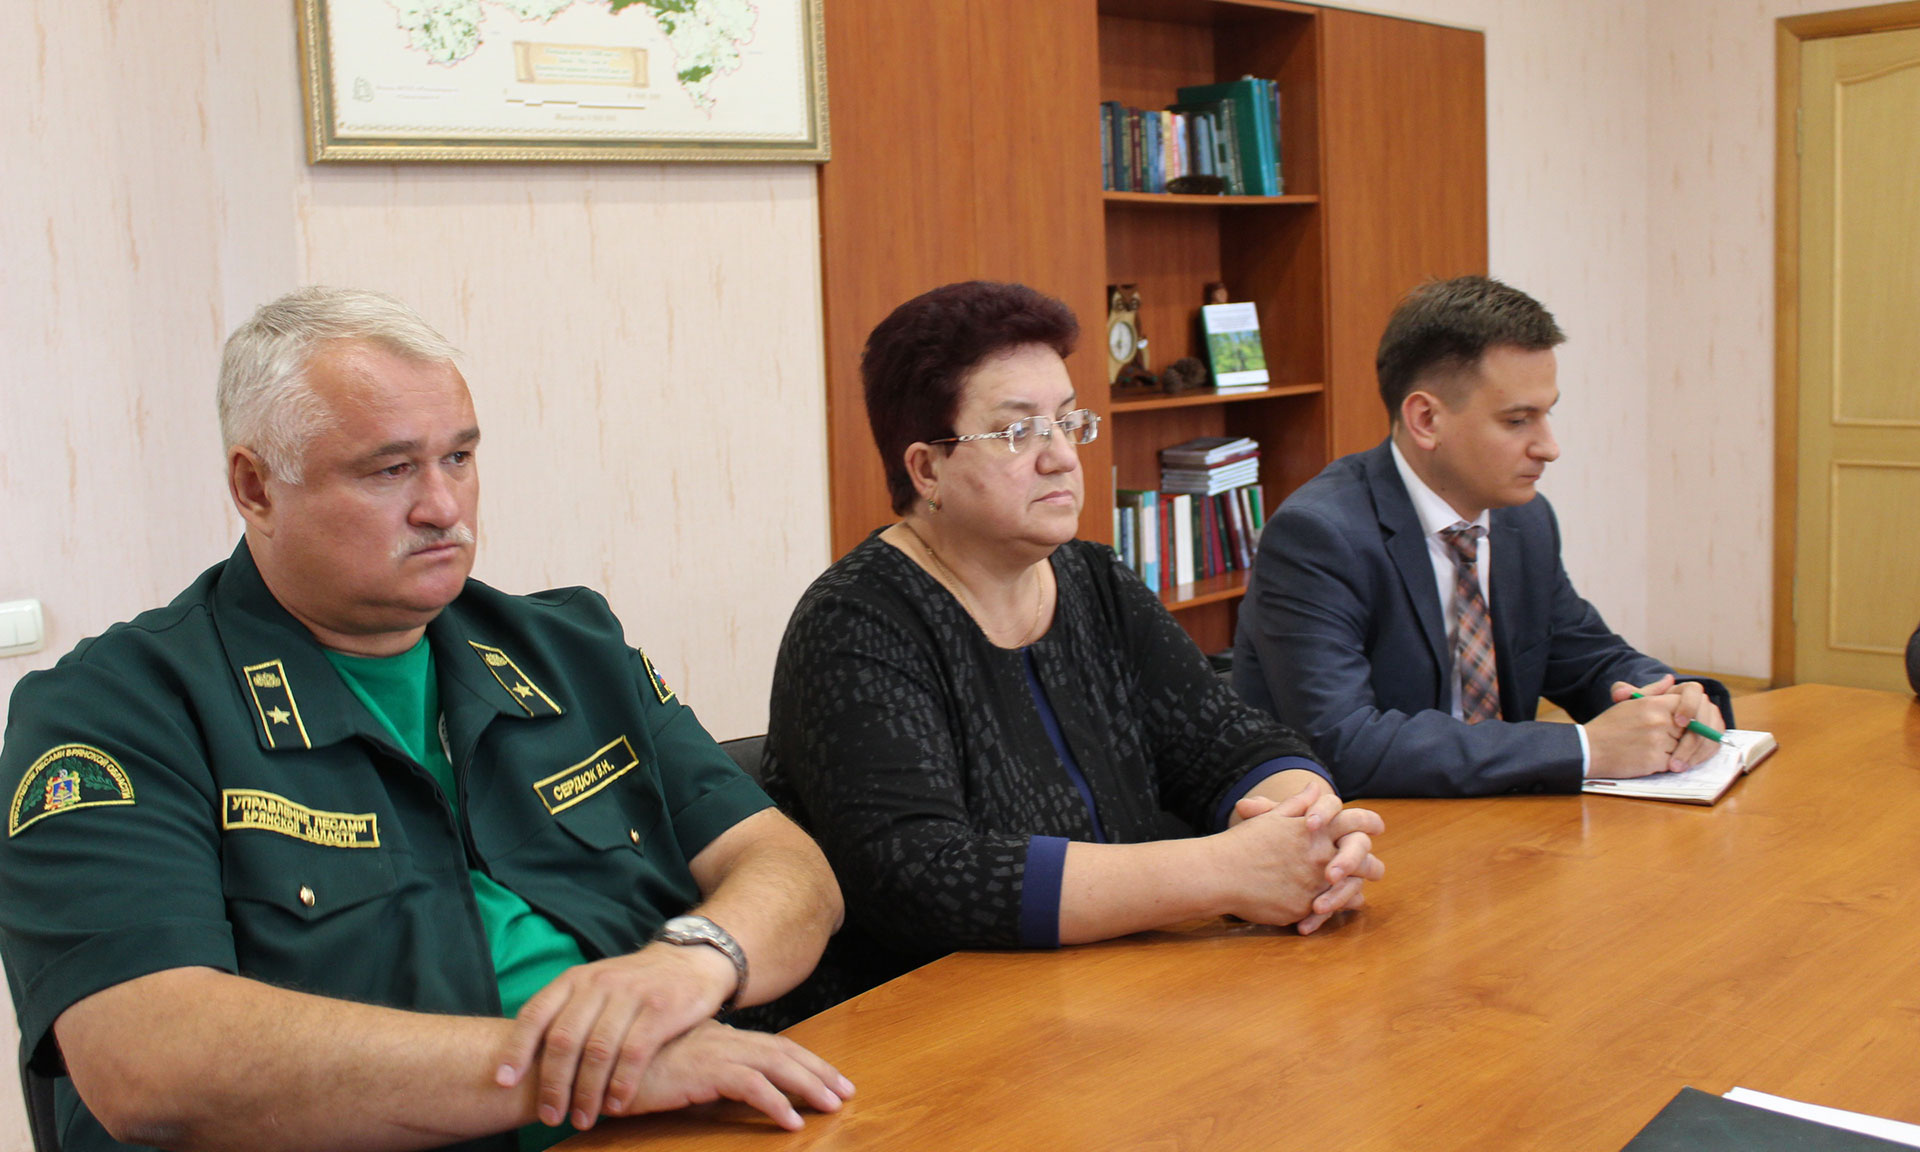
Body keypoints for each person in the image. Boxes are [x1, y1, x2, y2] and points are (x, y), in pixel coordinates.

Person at [0, 287, 853, 1152]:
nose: (443, 507)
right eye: (390, 470)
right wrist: (589, 1066)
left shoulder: (570, 648)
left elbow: (789, 869)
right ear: (255, 488)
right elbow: (150, 1057)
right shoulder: (115, 710)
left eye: (459, 457)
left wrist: (696, 960)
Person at [754, 280, 1384, 1023]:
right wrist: (1223, 871)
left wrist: (1310, 831)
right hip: (942, 1030)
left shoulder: (1094, 581)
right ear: (926, 470)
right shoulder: (855, 623)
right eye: (1018, 432)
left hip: (1127, 995)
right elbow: (922, 876)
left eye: (1068, 422)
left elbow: (1230, 744)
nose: (1060, 457)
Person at [1232, 275, 1732, 797]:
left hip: (1499, 819)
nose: (1549, 447)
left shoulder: (1525, 522)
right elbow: (1343, 743)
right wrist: (1587, 748)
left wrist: (1676, 702)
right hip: (1361, 828)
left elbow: (1588, 659)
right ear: (1426, 419)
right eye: (1517, 420)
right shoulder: (1318, 536)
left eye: (1547, 413)